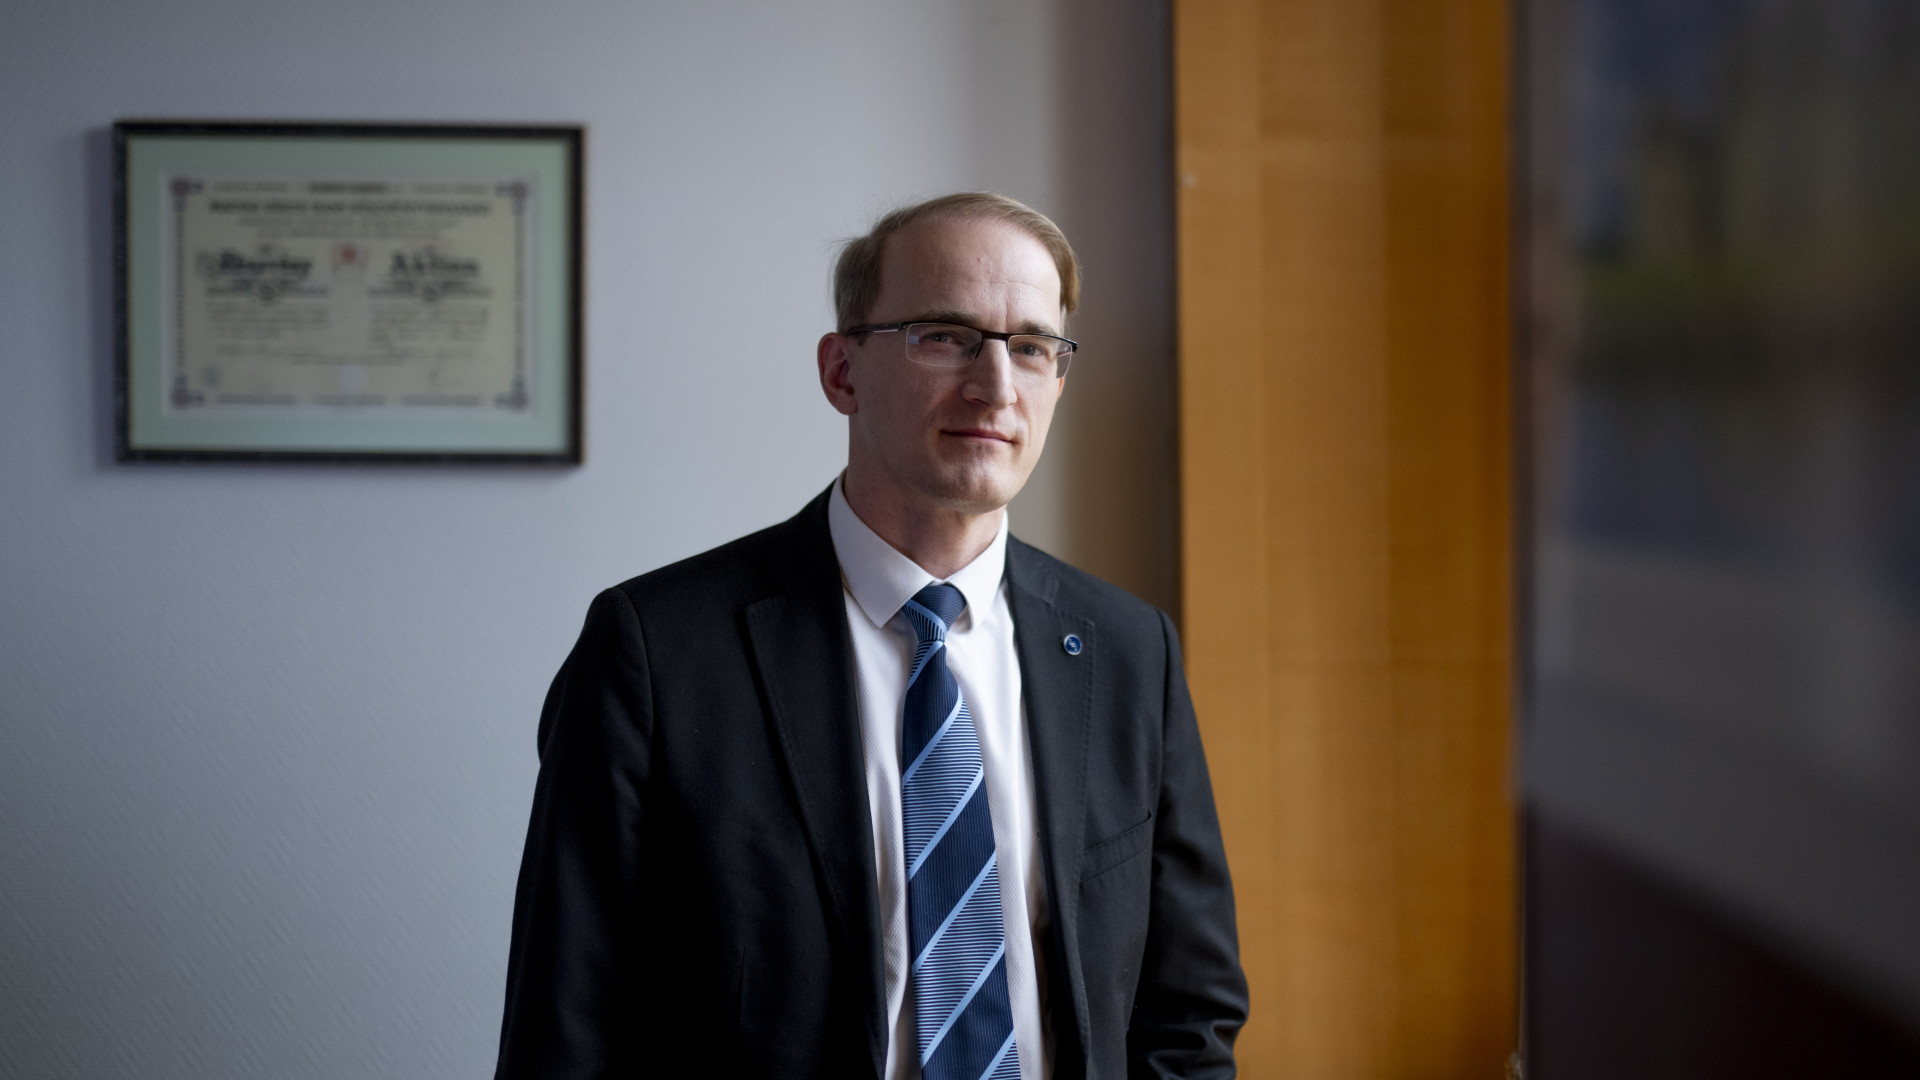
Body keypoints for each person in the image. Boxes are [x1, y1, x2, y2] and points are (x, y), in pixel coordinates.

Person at [495, 193, 1246, 1080]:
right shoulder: (655, 652)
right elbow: (564, 1032)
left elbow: (1187, 1017)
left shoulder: (1129, 650)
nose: (996, 387)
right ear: (842, 371)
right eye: (946, 336)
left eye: (1031, 347)